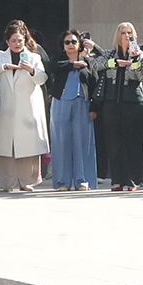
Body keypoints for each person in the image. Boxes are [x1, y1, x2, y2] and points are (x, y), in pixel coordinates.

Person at [0, 21, 49, 191]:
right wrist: (5, 67)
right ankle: (7, 182)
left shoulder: (34, 58)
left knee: (26, 145)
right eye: (13, 41)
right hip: (6, 107)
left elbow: (42, 78)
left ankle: (27, 181)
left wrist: (31, 70)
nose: (17, 44)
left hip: (27, 107)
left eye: (20, 41)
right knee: (7, 145)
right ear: (7, 42)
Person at [95, 22, 143, 191]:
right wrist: (114, 63)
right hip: (111, 103)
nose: (127, 36)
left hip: (133, 103)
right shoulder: (109, 54)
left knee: (133, 142)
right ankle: (116, 180)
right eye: (124, 33)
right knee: (114, 143)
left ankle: (134, 180)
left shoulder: (141, 55)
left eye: (130, 33)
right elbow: (95, 65)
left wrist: (135, 60)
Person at [48, 32, 97, 189]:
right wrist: (72, 65)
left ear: (79, 44)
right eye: (67, 42)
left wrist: (94, 108)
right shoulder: (58, 60)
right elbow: (50, 67)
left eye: (73, 41)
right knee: (61, 141)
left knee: (82, 142)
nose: (70, 44)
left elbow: (95, 84)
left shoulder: (88, 61)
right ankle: (63, 181)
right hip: (61, 102)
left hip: (82, 103)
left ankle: (82, 180)